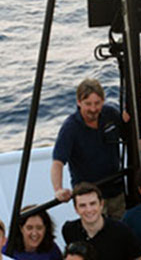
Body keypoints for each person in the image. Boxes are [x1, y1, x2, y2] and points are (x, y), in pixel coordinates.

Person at [52, 78, 135, 219]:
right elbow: (57, 162)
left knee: (121, 230)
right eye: (88, 104)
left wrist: (136, 128)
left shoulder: (111, 114)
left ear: (103, 101)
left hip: (116, 190)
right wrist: (58, 189)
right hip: (89, 198)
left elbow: (131, 138)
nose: (93, 108)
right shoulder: (70, 128)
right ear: (79, 102)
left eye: (97, 103)